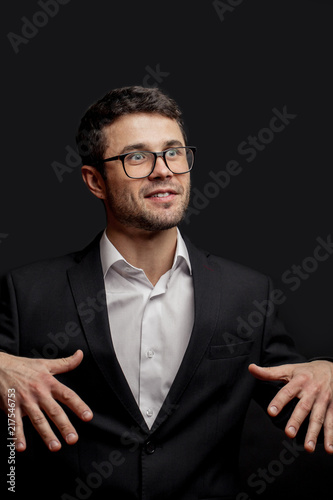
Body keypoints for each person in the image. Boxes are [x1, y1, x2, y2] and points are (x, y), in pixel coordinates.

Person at [0, 86, 332, 500]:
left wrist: (327, 372)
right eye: (137, 156)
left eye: (173, 152)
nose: (163, 170)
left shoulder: (248, 294)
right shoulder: (27, 292)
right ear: (94, 181)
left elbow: (301, 389)